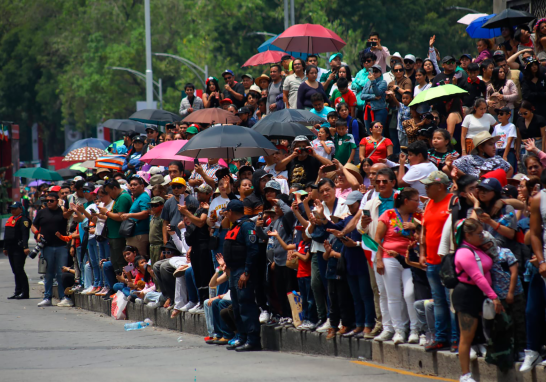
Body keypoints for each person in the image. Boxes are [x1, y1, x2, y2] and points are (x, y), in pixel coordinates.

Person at [452, 218, 504, 382]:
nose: (482, 235)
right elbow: (477, 277)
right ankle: (465, 374)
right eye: (478, 233)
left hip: (481, 294)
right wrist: (494, 297)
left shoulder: (477, 248)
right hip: (468, 295)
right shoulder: (464, 252)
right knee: (466, 337)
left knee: (484, 332)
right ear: (467, 235)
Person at [375, 187, 421, 344]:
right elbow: (377, 238)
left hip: (411, 259)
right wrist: (379, 259)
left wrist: (416, 227)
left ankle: (415, 329)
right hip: (390, 258)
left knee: (410, 294)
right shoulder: (388, 214)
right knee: (393, 296)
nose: (418, 203)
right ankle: (399, 331)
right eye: (416, 200)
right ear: (406, 201)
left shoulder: (419, 216)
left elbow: (425, 234)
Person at [418, 171, 457, 352]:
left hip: (448, 261)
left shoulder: (453, 202)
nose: (425, 187)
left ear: (440, 186)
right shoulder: (428, 204)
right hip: (432, 261)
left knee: (451, 302)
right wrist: (422, 253)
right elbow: (424, 231)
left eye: (428, 184)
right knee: (439, 301)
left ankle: (456, 338)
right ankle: (441, 338)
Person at [222, 199, 261, 351]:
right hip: (233, 271)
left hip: (242, 271)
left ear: (231, 212)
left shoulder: (246, 226)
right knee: (237, 306)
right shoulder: (235, 226)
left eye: (227, 211)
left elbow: (253, 250)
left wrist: (247, 272)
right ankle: (242, 336)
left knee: (246, 305)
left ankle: (253, 340)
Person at [31, 193, 74, 307]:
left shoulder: (62, 212)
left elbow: (69, 214)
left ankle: (63, 297)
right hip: (47, 246)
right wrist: (37, 233)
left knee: (61, 273)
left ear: (57, 201)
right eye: (47, 201)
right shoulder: (42, 213)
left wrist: (63, 203)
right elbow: (33, 225)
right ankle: (47, 297)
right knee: (48, 273)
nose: (48, 202)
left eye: (51, 201)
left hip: (61, 246)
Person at [98, 179, 133, 274]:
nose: (109, 195)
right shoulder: (117, 198)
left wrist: (106, 212)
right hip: (113, 235)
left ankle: (126, 282)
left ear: (115, 188)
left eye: (109, 192)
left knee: (121, 262)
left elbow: (121, 216)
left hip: (119, 236)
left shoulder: (123, 197)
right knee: (115, 262)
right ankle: (119, 283)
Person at [3, 202, 31, 300]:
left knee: (19, 269)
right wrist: (5, 247)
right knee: (15, 270)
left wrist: (25, 247)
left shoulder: (23, 220)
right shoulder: (10, 220)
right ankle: (18, 291)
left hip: (19, 248)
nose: (12, 210)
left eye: (15, 209)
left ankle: (25, 292)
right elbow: (6, 235)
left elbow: (25, 234)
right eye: (11, 209)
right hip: (11, 248)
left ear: (20, 209)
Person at [121, 176, 151, 259]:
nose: (132, 187)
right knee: (131, 260)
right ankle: (128, 272)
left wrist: (129, 215)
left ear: (142, 186)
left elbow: (145, 213)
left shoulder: (144, 197)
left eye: (135, 185)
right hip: (133, 235)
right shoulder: (138, 197)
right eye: (131, 185)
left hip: (139, 236)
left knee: (140, 259)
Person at [360, 64, 388, 132]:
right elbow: (362, 96)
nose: (374, 73)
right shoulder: (367, 83)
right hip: (367, 109)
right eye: (373, 71)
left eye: (376, 71)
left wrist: (373, 81)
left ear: (380, 73)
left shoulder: (383, 82)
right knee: (369, 131)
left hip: (379, 110)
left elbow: (378, 93)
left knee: (378, 131)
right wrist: (374, 97)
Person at [352, 51, 377, 118]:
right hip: (358, 106)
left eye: (368, 61)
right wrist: (362, 85)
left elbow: (367, 84)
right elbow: (353, 85)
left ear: (374, 61)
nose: (366, 62)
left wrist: (358, 81)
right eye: (364, 61)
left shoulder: (376, 72)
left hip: (370, 106)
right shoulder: (360, 72)